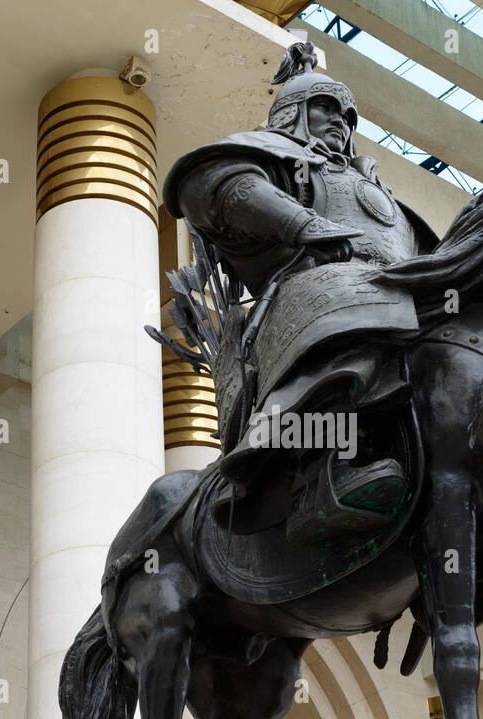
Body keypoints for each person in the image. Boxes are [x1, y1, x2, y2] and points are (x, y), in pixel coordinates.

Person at [162, 42, 438, 545]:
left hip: (402, 294)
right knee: (357, 307)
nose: (340, 120)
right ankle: (327, 466)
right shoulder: (278, 157)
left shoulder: (373, 185)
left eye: (346, 113)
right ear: (293, 114)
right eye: (325, 107)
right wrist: (303, 224)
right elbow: (209, 185)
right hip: (318, 291)